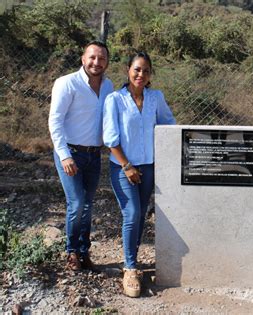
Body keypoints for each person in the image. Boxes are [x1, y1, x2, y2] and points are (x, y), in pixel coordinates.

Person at [103, 51, 176, 297]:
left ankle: (132, 260)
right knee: (132, 213)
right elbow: (110, 138)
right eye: (137, 69)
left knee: (141, 214)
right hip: (123, 167)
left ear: (150, 74)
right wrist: (127, 166)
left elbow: (168, 123)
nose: (141, 74)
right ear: (128, 70)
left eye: (145, 70)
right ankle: (130, 267)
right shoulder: (115, 99)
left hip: (148, 166)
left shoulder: (156, 97)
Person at [49, 40, 114, 271]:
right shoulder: (67, 83)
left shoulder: (109, 86)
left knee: (87, 205)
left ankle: (84, 251)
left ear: (107, 61)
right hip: (70, 153)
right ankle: (71, 252)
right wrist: (65, 155)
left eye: (102, 58)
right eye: (92, 57)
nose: (97, 62)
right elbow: (55, 121)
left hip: (94, 156)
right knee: (76, 202)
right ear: (83, 59)